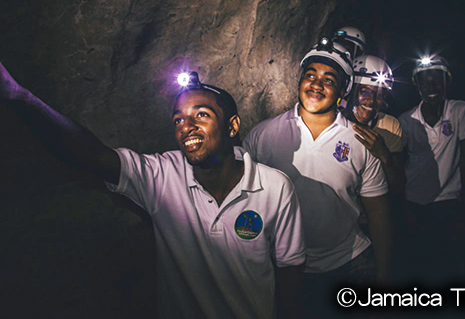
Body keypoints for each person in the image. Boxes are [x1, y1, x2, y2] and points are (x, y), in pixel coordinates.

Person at [0, 62, 305, 319]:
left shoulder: (275, 188)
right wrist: (20, 97)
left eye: (201, 114)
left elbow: (290, 276)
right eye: (178, 119)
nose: (187, 125)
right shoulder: (163, 176)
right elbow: (92, 156)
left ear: (232, 126)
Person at [243, 38, 393, 317]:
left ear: (342, 90)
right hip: (284, 266)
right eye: (310, 75)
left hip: (347, 262)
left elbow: (379, 213)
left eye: (328, 79)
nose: (316, 84)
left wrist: (384, 276)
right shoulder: (264, 136)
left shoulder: (360, 141)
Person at [398, 55, 465, 282]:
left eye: (437, 81)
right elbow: (399, 162)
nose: (431, 87)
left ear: (447, 83)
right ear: (417, 86)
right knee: (419, 265)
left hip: (449, 201)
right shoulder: (406, 120)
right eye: (425, 82)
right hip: (415, 202)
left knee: (449, 264)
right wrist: (402, 204)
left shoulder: (460, 111)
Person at [343, 55, 403, 196]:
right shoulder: (337, 121)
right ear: (352, 90)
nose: (371, 101)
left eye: (380, 94)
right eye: (365, 91)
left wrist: (383, 154)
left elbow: (398, 184)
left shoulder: (390, 125)